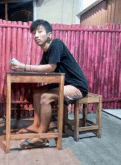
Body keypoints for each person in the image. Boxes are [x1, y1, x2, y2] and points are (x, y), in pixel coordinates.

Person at [10, 19, 88, 148]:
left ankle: (41, 136)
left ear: (49, 35)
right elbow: (42, 70)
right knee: (37, 92)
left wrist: (24, 67)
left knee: (45, 97)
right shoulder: (46, 52)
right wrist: (20, 68)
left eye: (40, 32)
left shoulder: (56, 43)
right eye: (34, 33)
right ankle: (36, 125)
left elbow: (51, 68)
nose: (36, 36)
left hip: (77, 86)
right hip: (62, 84)